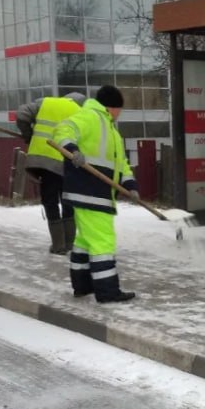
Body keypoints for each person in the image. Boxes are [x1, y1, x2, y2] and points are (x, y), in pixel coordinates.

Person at [53, 86, 139, 303]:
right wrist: (73, 151)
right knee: (103, 242)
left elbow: (121, 165)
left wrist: (130, 184)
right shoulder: (90, 117)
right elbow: (63, 130)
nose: (120, 113)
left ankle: (82, 285)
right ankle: (108, 291)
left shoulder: (111, 131)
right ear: (112, 107)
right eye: (120, 109)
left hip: (94, 193)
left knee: (84, 241)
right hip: (90, 192)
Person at [16, 93, 85, 254]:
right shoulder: (80, 111)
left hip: (45, 161)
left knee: (50, 201)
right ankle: (69, 244)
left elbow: (21, 114)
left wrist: (29, 136)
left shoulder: (45, 103)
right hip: (68, 164)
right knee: (68, 202)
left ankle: (58, 245)